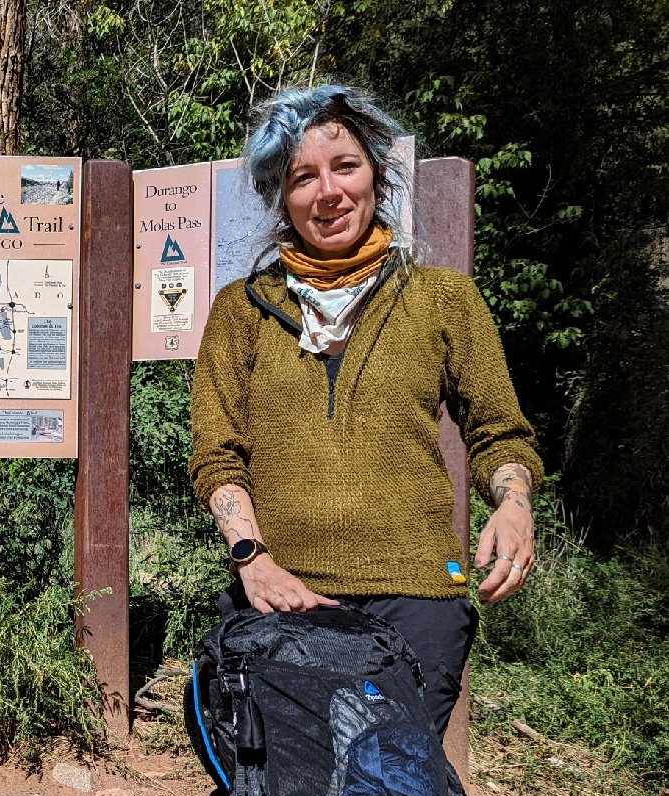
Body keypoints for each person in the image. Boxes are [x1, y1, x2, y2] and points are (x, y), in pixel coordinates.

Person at [189, 84, 543, 736]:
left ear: (378, 175)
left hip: (417, 601)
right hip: (282, 595)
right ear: (281, 197)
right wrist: (252, 558)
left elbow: (499, 432)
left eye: (345, 167)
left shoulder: (445, 299)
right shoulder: (240, 310)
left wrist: (515, 506)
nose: (327, 192)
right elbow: (217, 455)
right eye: (303, 177)